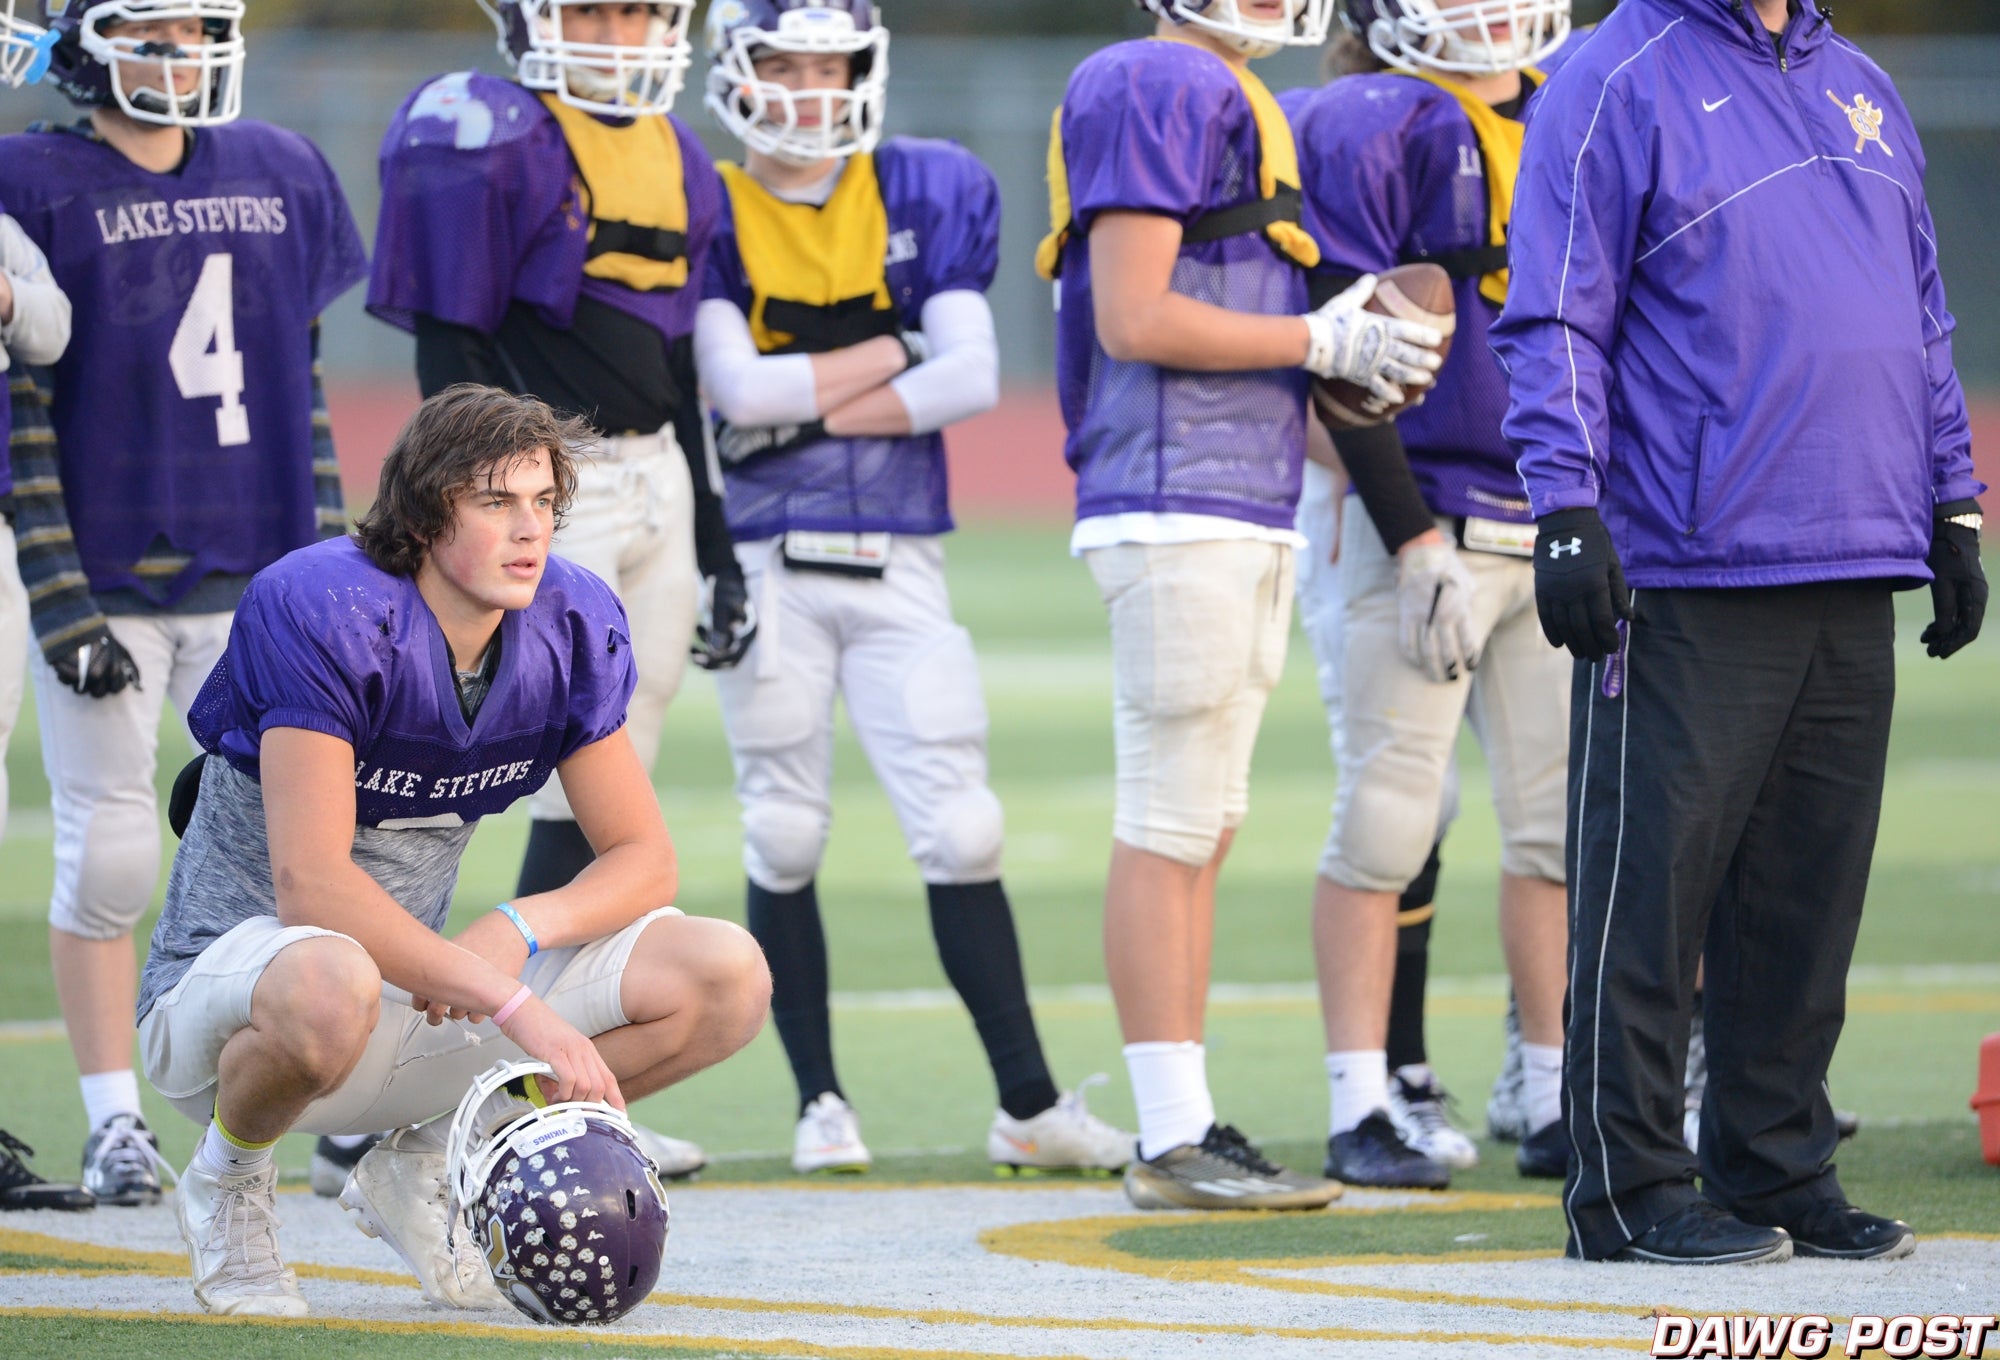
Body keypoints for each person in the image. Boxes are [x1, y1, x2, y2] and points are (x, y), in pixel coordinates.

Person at [1493, 0, 1984, 1264]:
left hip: (1854, 546)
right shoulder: (1612, 76)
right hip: (1686, 560)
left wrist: (1952, 499)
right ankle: (1625, 1190)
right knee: (1645, 898)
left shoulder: (1858, 81)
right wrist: (1564, 507)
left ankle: (1773, 1164)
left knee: (1803, 902)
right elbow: (1551, 313)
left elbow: (1921, 313)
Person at [136, 384, 770, 1317]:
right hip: (238, 1009)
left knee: (724, 975)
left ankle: (427, 1158)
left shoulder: (568, 621)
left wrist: (518, 926)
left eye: (545, 503)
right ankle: (228, 1180)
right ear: (429, 510)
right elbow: (311, 884)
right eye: (495, 501)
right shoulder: (325, 606)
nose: (531, 530)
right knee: (331, 974)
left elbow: (644, 860)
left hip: (415, 1004)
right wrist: (515, 1002)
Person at [694, 0, 1132, 1177]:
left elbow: (974, 375)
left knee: (961, 822)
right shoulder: (706, 199)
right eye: (780, 60)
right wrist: (891, 352)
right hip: (765, 556)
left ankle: (1028, 1103)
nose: (804, 86)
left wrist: (809, 395)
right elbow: (734, 392)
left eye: (826, 61)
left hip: (898, 551)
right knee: (782, 828)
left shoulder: (921, 186)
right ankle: (818, 1100)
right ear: (737, 71)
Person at [1040, 0, 1442, 1209]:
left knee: (1203, 822)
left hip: (1236, 497)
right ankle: (1167, 1135)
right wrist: (1320, 340)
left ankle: (1187, 1118)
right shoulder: (1153, 77)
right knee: (1169, 821)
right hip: (1175, 496)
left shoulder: (1230, 89)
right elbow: (1133, 313)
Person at [369, 0, 745, 1181]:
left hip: (659, 478)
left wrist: (720, 535)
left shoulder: (677, 146)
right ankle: (410, 1068)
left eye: (638, 12)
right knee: (473, 771)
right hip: (543, 480)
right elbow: (451, 352)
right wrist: (477, 504)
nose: (622, 35)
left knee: (605, 782)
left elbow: (677, 359)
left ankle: (532, 1076)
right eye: (594, 10)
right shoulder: (483, 129)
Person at [0, 0, 366, 1208]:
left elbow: (300, 387)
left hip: (255, 571)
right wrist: (57, 594)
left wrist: (330, 570)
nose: (179, 55)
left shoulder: (278, 164)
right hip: (109, 570)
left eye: (195, 30)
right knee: (108, 851)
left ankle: (327, 1107)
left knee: (305, 850)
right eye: (148, 33)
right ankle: (114, 1117)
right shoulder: (32, 175)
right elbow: (24, 411)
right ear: (86, 46)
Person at [1290, 0, 1574, 1190]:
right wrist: (1410, 535)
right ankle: (1363, 1095)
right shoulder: (1368, 119)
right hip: (1419, 513)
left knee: (1556, 822)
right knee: (1391, 819)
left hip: (1546, 511)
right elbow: (1342, 352)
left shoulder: (1573, 109)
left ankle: (1555, 1087)